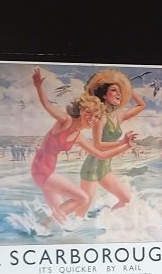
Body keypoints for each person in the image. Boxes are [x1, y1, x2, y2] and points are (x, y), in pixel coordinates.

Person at [30, 67, 136, 223]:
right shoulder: (65, 122)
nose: (92, 119)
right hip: (42, 172)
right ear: (81, 110)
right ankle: (44, 223)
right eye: (89, 113)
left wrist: (126, 145)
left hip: (47, 173)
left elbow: (100, 154)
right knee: (82, 198)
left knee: (62, 220)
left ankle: (40, 229)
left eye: (97, 117)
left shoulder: (79, 137)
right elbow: (48, 106)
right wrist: (38, 86)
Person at [79, 69, 146, 213]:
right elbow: (98, 145)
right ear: (104, 94)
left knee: (126, 200)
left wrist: (128, 89)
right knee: (81, 209)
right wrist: (123, 143)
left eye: (120, 91)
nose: (119, 94)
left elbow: (141, 106)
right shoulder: (100, 117)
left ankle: (105, 224)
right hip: (92, 167)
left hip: (104, 168)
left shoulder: (118, 116)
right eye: (114, 90)